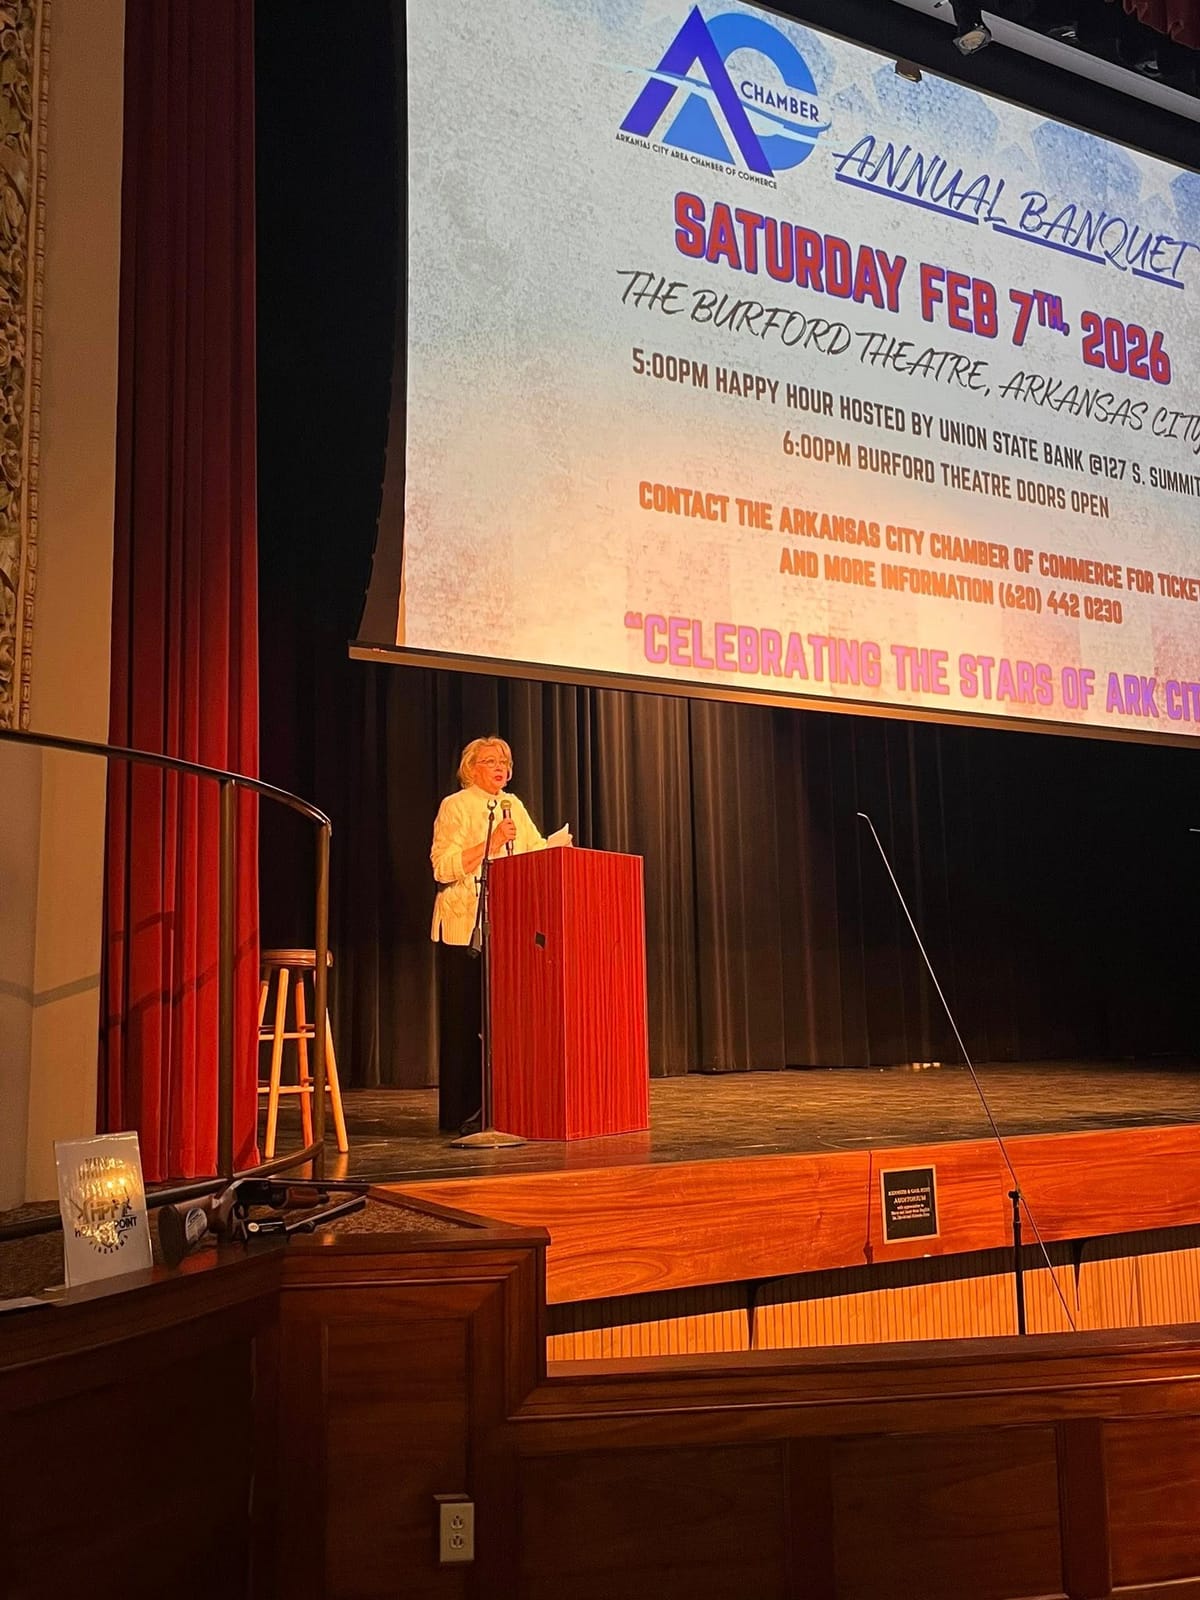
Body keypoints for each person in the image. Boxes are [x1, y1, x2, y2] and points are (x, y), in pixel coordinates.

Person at [429, 736, 554, 1132]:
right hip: (464, 930)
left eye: (504, 762)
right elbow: (442, 867)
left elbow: (534, 851)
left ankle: (502, 1107)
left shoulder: (513, 805)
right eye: (490, 761)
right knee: (465, 1022)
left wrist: (556, 852)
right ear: (471, 768)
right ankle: (462, 1112)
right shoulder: (455, 805)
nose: (500, 768)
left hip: (509, 929)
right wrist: (492, 841)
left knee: (504, 1023)